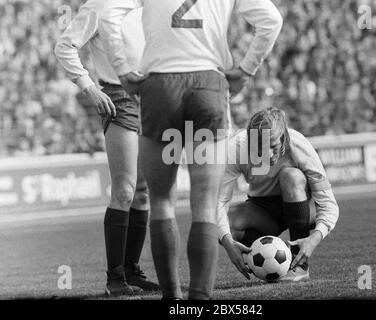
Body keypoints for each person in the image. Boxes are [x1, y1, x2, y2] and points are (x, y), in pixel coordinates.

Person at [99, 0, 283, 300]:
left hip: (159, 87)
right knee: (204, 203)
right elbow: (272, 20)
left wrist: (121, 70)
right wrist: (246, 69)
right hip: (208, 85)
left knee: (160, 202)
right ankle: (199, 300)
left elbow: (107, 15)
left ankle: (171, 299)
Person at [54, 0, 159, 296]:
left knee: (141, 191)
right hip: (119, 97)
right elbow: (64, 46)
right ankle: (115, 279)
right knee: (124, 189)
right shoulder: (101, 5)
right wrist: (89, 87)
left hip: (151, 97)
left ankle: (131, 271)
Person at [217, 107, 339, 282]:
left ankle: (299, 265)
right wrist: (228, 243)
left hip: (303, 204)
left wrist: (314, 238)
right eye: (260, 148)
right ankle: (266, 253)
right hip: (263, 209)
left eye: (273, 146)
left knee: (291, 176)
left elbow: (328, 204)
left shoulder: (298, 144)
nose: (268, 154)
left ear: (283, 138)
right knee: (222, 227)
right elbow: (219, 203)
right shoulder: (236, 148)